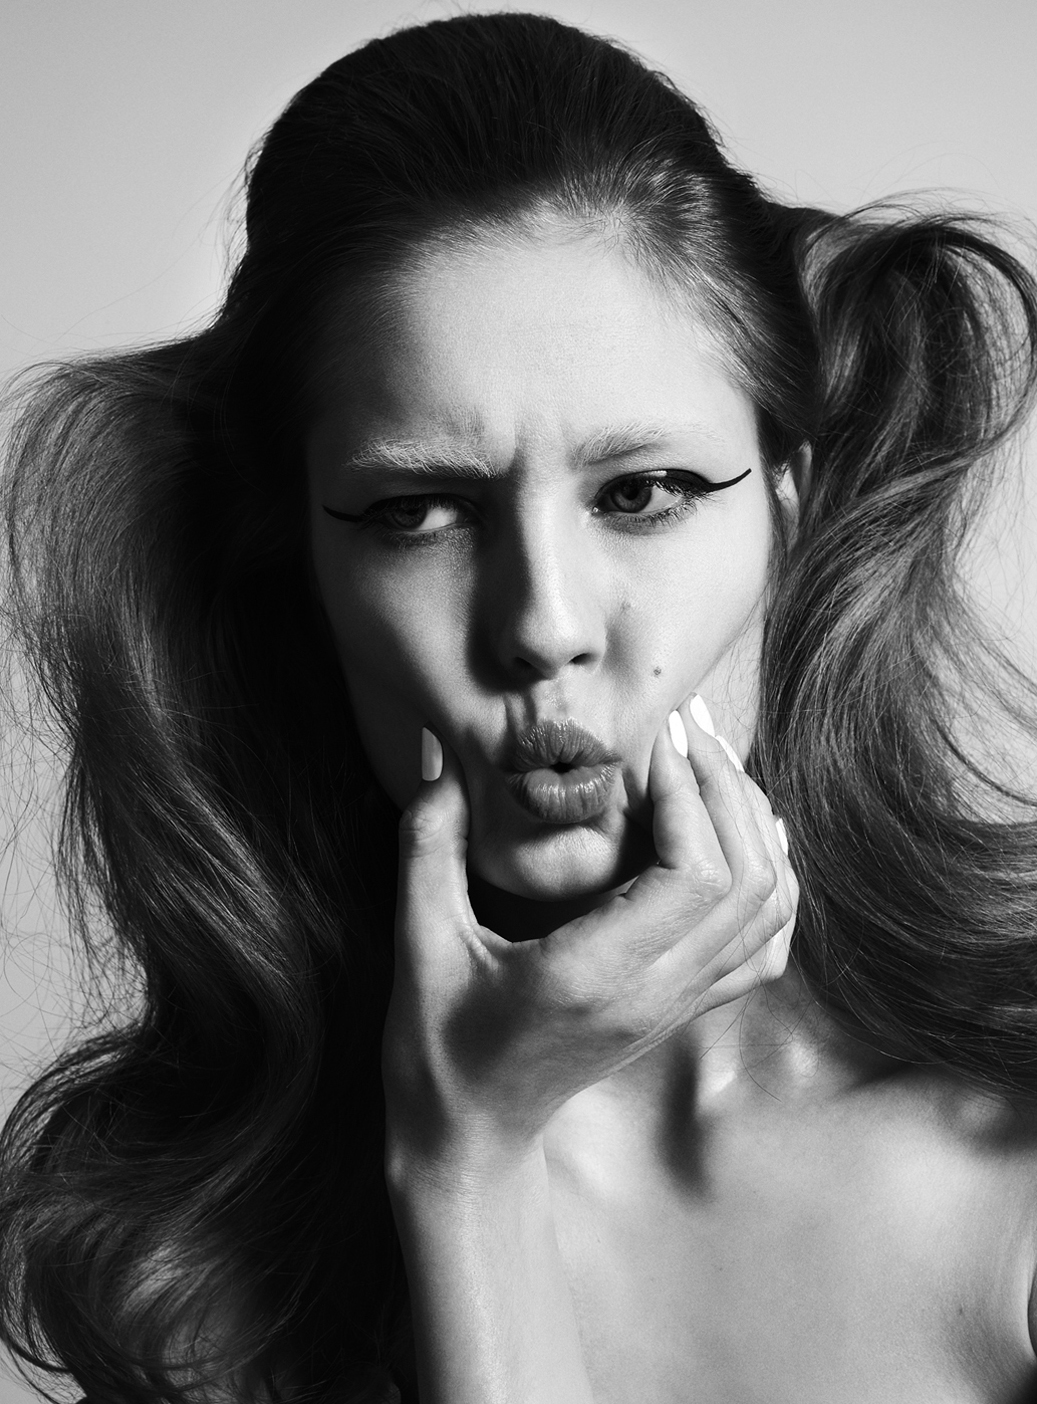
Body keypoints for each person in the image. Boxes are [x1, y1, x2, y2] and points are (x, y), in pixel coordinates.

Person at [2, 10, 1037, 1403]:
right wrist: (461, 1162)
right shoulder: (189, 1264)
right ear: (302, 569)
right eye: (417, 512)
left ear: (786, 518)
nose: (543, 623)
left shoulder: (1015, 1154)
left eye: (643, 493)